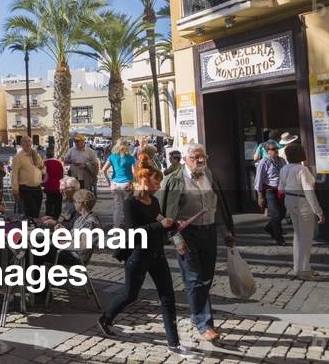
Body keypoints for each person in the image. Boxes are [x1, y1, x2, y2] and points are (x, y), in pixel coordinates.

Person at [98, 166, 188, 356]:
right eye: (156, 183)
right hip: (139, 256)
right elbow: (133, 232)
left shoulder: (154, 201)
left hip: (157, 254)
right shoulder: (131, 203)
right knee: (130, 295)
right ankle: (105, 318)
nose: (158, 186)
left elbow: (160, 225)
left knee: (167, 297)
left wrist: (173, 226)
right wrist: (159, 225)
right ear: (145, 182)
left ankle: (174, 342)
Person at [158, 144, 235, 342]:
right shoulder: (174, 179)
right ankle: (205, 324)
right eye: (195, 157)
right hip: (186, 234)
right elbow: (164, 209)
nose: (200, 160)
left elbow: (217, 206)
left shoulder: (210, 176)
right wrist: (171, 233)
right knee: (194, 278)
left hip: (208, 232)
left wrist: (225, 231)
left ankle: (196, 312)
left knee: (207, 277)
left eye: (203, 157)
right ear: (185, 159)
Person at [280, 142, 324, 279]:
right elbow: (309, 191)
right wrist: (319, 212)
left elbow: (280, 188)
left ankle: (298, 267)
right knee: (306, 236)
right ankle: (304, 270)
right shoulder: (302, 169)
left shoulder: (285, 168)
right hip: (302, 201)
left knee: (298, 235)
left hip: (289, 199)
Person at [254, 141, 286, 246]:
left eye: (276, 148)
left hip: (282, 189)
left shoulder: (281, 160)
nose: (275, 151)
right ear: (267, 151)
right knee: (276, 214)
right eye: (272, 149)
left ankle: (269, 227)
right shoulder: (264, 162)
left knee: (282, 213)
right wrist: (260, 196)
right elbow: (258, 180)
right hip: (270, 191)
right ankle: (279, 237)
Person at [101, 140, 136, 229]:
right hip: (127, 184)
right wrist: (133, 182)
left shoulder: (112, 157)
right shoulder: (130, 158)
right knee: (128, 206)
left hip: (115, 184)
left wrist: (109, 182)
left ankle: (116, 227)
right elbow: (134, 172)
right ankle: (129, 226)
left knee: (118, 207)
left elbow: (104, 170)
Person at [11, 135, 46, 219]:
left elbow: (43, 168)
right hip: (25, 189)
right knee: (30, 213)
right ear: (21, 144)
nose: (28, 143)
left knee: (37, 212)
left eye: (29, 141)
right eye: (25, 141)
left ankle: (34, 229)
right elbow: (14, 174)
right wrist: (15, 190)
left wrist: (42, 170)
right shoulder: (18, 157)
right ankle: (29, 230)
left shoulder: (36, 155)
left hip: (37, 188)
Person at [43, 150, 64, 219]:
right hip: (58, 185)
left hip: (49, 185)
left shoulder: (44, 163)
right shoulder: (59, 163)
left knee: (49, 200)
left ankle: (49, 214)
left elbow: (43, 175)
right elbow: (62, 174)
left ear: (46, 155)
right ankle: (57, 214)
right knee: (58, 201)